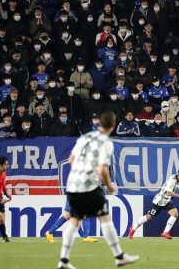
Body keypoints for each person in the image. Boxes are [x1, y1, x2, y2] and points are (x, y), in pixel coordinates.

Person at [57, 111, 139, 269]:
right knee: (105, 218)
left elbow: (71, 160)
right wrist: (109, 185)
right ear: (113, 126)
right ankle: (119, 257)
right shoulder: (106, 142)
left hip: (74, 182)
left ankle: (63, 261)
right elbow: (102, 169)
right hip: (89, 185)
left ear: (99, 123)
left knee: (75, 220)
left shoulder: (85, 138)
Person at [128, 166, 179, 239]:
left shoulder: (176, 178)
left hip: (166, 201)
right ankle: (133, 229)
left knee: (175, 213)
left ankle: (165, 232)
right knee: (149, 217)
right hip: (159, 201)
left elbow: (168, 191)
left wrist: (171, 196)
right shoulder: (172, 181)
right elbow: (168, 193)